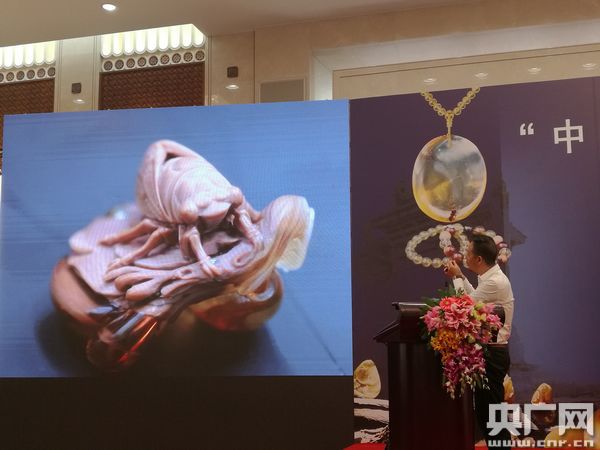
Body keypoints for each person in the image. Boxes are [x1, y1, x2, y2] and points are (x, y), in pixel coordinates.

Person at [443, 234, 515, 450]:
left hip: (493, 354)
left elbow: (464, 306)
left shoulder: (495, 282)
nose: (464, 256)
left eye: (468, 253)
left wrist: (456, 278)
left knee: (491, 414)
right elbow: (474, 297)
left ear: (479, 259)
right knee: (487, 412)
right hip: (489, 352)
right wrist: (460, 276)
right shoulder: (490, 278)